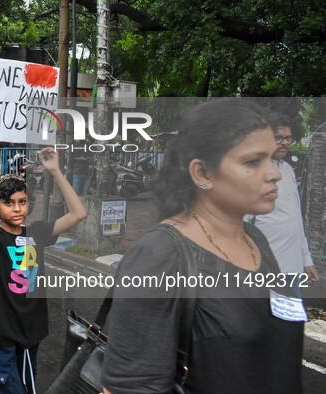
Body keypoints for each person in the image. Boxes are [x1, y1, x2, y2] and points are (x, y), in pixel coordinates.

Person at [102, 99, 304, 393]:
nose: (274, 173)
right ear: (203, 174)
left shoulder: (255, 240)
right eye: (252, 162)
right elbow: (127, 387)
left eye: (271, 159)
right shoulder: (158, 256)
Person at [0, 122, 86, 394]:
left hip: (30, 335)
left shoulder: (37, 232)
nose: (17, 208)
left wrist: (56, 171)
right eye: (8, 203)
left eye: (22, 201)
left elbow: (78, 213)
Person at [245, 115, 319, 294]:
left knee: (289, 317)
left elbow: (296, 219)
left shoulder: (287, 170)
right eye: (279, 138)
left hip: (292, 265)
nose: (285, 143)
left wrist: (306, 259)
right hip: (267, 265)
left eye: (288, 138)